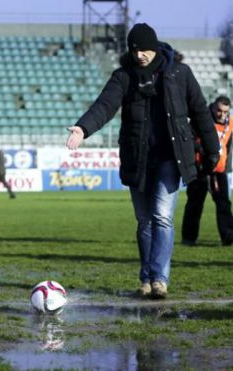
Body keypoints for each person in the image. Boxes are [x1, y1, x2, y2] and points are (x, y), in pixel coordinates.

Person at [65, 23, 219, 299]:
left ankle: (160, 279)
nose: (140, 55)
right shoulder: (124, 77)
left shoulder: (180, 74)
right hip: (137, 157)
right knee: (144, 220)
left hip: (170, 158)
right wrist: (82, 128)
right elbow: (104, 106)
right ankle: (147, 278)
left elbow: (200, 112)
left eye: (145, 49)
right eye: (135, 50)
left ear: (156, 47)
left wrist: (213, 150)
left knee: (161, 216)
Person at [182, 96, 233, 246]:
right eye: (219, 111)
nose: (222, 115)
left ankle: (228, 237)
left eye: (225, 112)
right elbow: (190, 138)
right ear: (213, 108)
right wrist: (200, 150)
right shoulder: (202, 119)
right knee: (195, 203)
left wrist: (225, 163)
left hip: (219, 169)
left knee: (224, 203)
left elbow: (228, 144)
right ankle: (189, 238)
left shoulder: (230, 123)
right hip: (200, 168)